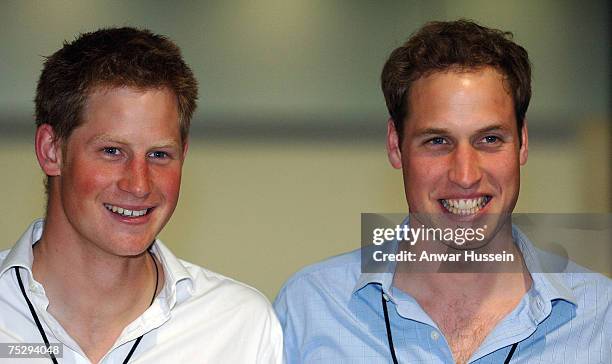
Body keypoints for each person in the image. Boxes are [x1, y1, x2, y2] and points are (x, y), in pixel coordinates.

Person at [274, 20, 610, 363]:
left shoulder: (602, 319)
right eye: (437, 141)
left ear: (522, 142)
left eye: (490, 139)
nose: (465, 175)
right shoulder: (309, 309)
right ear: (395, 145)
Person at [0, 27, 282, 363]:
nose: (139, 185)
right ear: (52, 151)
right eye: (112, 151)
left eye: (159, 155)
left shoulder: (238, 325)